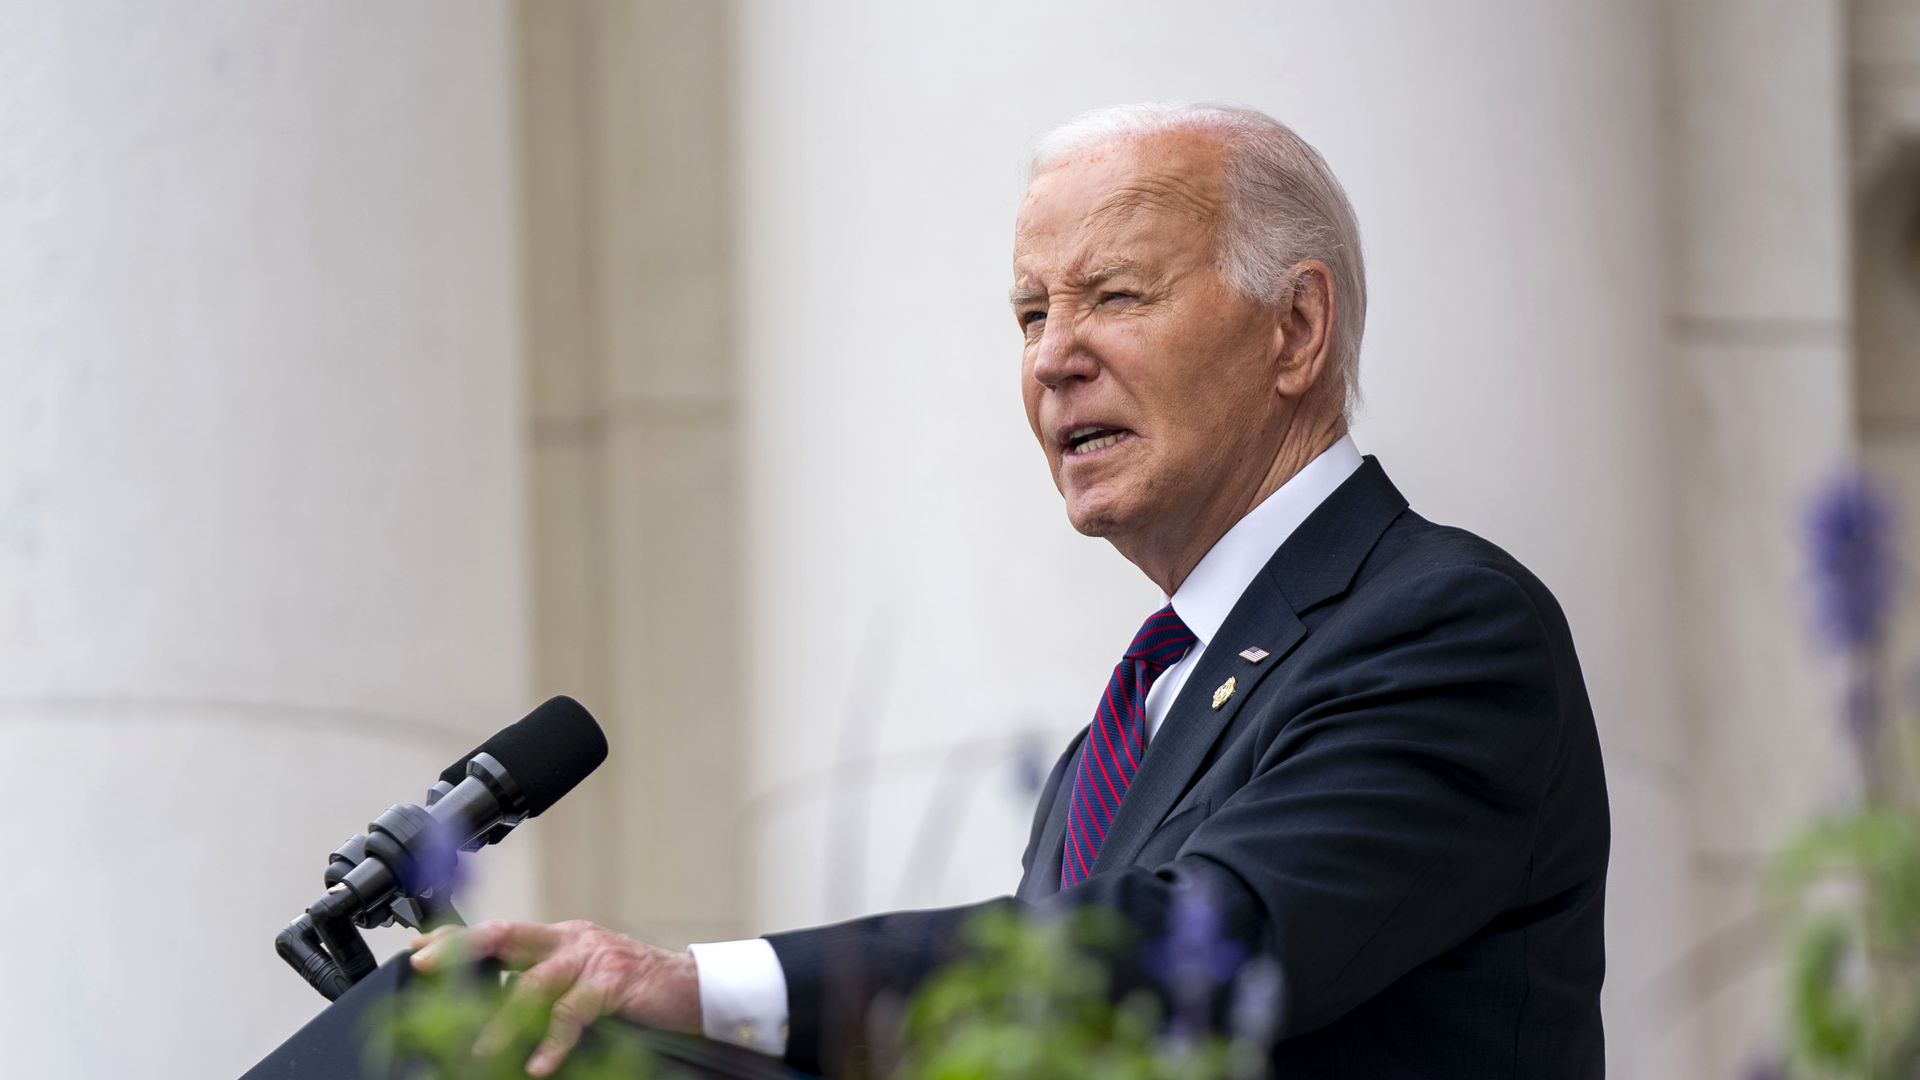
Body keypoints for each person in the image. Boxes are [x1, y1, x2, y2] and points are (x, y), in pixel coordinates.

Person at [412, 102, 1610, 1079]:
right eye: (1032, 314)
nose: (1050, 357)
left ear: (1295, 329)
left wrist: (706, 986)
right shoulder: (1114, 745)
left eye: (1115, 297)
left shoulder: (1444, 626)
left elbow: (1214, 948)